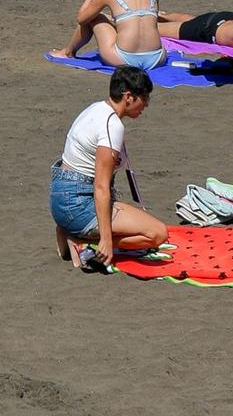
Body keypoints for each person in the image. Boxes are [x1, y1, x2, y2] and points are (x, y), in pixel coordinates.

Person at [49, 65, 169, 266]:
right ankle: (82, 242)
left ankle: (70, 231)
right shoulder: (112, 125)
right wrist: (105, 239)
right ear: (128, 97)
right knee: (157, 234)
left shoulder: (95, 109)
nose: (146, 105)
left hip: (61, 198)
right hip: (78, 204)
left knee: (140, 224)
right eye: (145, 98)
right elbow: (101, 187)